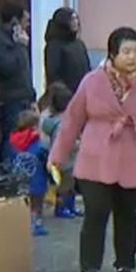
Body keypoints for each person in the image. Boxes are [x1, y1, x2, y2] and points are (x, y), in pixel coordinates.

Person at [48, 27, 136, 272]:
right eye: (126, 51)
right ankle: (91, 270)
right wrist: (58, 157)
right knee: (95, 214)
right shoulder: (92, 81)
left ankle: (125, 269)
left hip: (135, 157)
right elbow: (72, 121)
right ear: (112, 53)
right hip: (97, 157)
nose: (132, 57)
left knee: (128, 216)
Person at [0, 2, 35, 150]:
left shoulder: (16, 38)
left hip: (23, 97)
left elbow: (24, 70)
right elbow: (8, 68)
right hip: (10, 100)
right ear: (15, 21)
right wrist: (20, 46)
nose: (28, 25)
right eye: (26, 20)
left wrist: (31, 95)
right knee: (12, 140)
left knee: (26, 138)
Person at [6, 108, 51, 237]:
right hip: (38, 179)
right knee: (37, 204)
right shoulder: (38, 142)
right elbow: (44, 159)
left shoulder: (12, 141)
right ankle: (36, 224)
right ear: (35, 126)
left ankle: (23, 224)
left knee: (23, 203)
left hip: (20, 179)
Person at [39, 83, 80, 217]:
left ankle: (68, 207)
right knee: (66, 186)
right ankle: (63, 208)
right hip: (67, 159)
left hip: (55, 157)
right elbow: (65, 141)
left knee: (65, 185)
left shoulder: (48, 118)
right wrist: (79, 144)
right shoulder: (63, 122)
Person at [44, 8, 92, 94]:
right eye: (72, 19)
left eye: (76, 18)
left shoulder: (79, 44)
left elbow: (87, 69)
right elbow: (54, 75)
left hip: (83, 93)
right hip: (65, 97)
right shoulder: (54, 46)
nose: (76, 22)